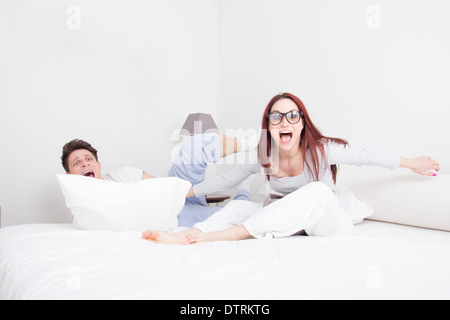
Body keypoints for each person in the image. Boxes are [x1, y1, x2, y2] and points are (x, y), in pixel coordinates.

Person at [142, 92, 440, 244]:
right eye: (276, 117)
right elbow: (224, 181)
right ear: (268, 125)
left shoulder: (322, 151)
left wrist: (412, 163)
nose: (284, 121)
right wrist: (180, 191)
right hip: (284, 220)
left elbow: (367, 156)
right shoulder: (263, 154)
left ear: (301, 123)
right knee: (237, 208)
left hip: (326, 225)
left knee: (318, 191)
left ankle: (215, 238)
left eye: (292, 116)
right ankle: (189, 235)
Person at [61, 133, 258, 227]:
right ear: (70, 176)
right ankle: (245, 190)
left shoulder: (123, 174)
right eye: (77, 163)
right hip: (175, 217)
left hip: (177, 196)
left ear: (99, 164)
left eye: (89, 159)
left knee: (193, 148)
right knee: (236, 213)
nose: (85, 164)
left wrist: (190, 192)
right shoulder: (84, 210)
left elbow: (165, 186)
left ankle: (255, 143)